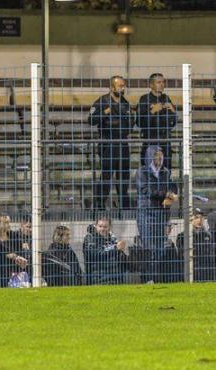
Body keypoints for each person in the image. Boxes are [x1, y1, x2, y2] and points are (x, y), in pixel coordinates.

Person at [88, 75, 134, 210]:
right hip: (108, 143)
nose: (123, 88)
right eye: (120, 86)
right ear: (111, 87)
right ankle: (100, 204)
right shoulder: (102, 101)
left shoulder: (125, 102)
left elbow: (131, 121)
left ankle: (124, 204)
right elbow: (90, 120)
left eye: (123, 85)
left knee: (124, 174)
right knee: (107, 174)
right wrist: (104, 113)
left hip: (123, 143)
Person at [136, 145, 178, 283]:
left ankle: (156, 278)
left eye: (160, 155)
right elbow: (146, 190)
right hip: (146, 214)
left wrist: (171, 196)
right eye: (155, 155)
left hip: (161, 214)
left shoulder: (165, 172)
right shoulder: (142, 171)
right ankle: (147, 278)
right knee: (149, 248)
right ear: (149, 157)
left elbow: (171, 187)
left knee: (160, 249)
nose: (159, 158)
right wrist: (165, 194)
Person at [137, 73, 177, 171]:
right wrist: (152, 111)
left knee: (166, 172)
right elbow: (139, 122)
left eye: (163, 82)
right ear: (151, 85)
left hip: (165, 141)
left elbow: (173, 122)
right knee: (150, 173)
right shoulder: (145, 99)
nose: (162, 84)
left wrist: (173, 111)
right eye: (159, 82)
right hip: (150, 141)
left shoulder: (166, 98)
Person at [0, 214, 26, 288]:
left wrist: (18, 259)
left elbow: (20, 252)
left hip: (14, 273)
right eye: (6, 223)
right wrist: (6, 256)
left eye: (9, 222)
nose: (9, 225)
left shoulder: (14, 237)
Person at [83, 217, 127, 285]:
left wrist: (122, 252)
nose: (102, 229)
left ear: (109, 227)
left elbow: (119, 257)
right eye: (100, 226)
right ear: (96, 226)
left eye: (105, 227)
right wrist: (116, 248)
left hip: (115, 278)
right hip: (98, 279)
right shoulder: (90, 238)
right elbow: (96, 254)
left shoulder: (112, 238)